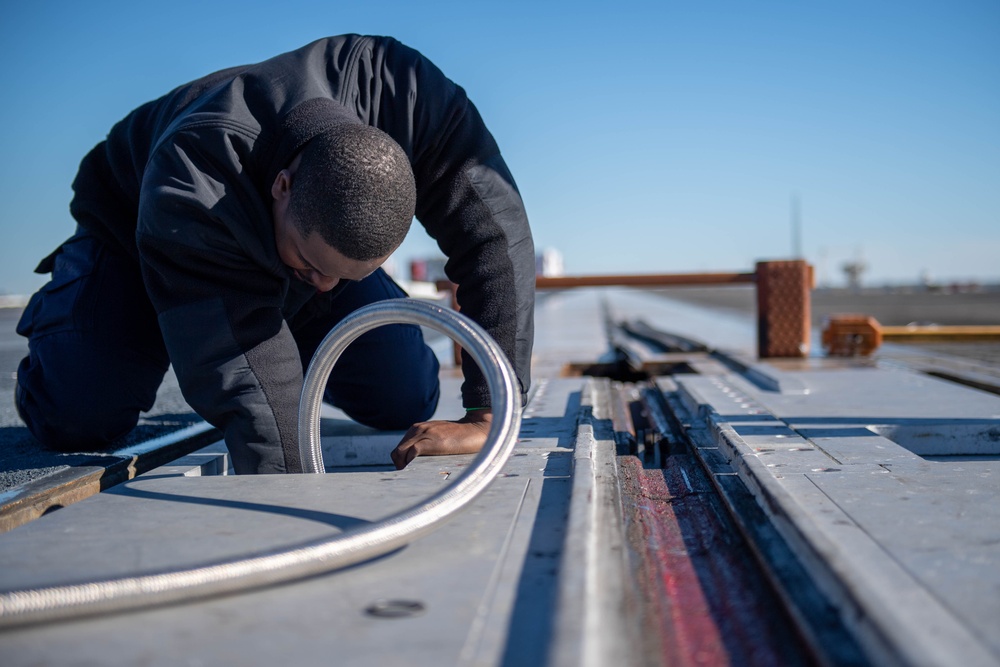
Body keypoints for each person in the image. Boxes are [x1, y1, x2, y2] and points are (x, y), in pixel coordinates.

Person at [14, 35, 534, 474]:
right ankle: (87, 310)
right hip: (133, 245)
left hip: (283, 245)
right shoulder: (198, 174)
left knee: (403, 396)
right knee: (80, 415)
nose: (325, 287)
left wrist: (491, 412)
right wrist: (294, 499)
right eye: (314, 269)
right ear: (282, 187)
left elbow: (495, 240)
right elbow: (251, 386)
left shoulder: (411, 96)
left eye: (347, 275)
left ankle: (326, 269)